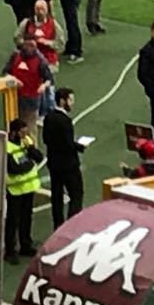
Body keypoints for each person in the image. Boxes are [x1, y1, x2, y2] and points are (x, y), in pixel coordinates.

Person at [44, 86, 86, 229]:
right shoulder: (65, 121)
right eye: (70, 100)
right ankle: (72, 225)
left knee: (56, 197)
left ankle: (58, 226)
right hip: (68, 165)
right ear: (63, 101)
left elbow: (46, 139)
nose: (72, 103)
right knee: (76, 194)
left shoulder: (49, 117)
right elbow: (68, 144)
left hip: (54, 164)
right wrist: (80, 146)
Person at [4, 117, 43, 259]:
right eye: (22, 132)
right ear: (14, 132)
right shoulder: (7, 148)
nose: (25, 135)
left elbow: (39, 157)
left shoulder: (26, 142)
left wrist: (30, 149)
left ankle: (25, 245)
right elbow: (14, 169)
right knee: (13, 221)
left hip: (28, 188)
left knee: (26, 219)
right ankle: (10, 250)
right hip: (15, 190)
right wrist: (29, 165)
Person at [5, 37, 53, 124]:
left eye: (33, 46)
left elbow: (49, 78)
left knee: (29, 125)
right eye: (28, 45)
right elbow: (6, 73)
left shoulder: (40, 61)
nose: (30, 48)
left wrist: (43, 86)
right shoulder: (15, 56)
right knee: (13, 123)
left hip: (31, 99)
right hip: (14, 97)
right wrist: (14, 80)